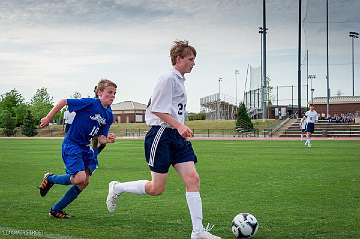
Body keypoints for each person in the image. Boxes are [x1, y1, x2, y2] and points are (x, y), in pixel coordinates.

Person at [106, 41, 221, 239]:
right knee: (156, 189)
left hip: (176, 137)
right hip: (160, 135)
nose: (194, 63)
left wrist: (181, 128)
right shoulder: (167, 78)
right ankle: (117, 187)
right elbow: (156, 109)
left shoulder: (179, 80)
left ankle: (198, 231)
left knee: (193, 179)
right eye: (190, 59)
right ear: (179, 59)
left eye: (194, 59)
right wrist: (179, 125)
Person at [38, 79, 117, 219]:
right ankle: (50, 178)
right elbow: (63, 101)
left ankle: (56, 210)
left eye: (114, 93)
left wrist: (108, 139)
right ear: (99, 92)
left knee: (84, 182)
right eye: (109, 92)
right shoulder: (90, 103)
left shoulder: (109, 115)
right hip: (72, 144)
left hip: (85, 148)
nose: (112, 95)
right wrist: (48, 117)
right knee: (79, 178)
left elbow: (101, 138)